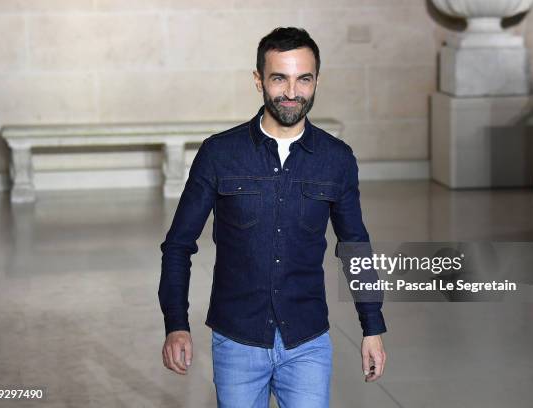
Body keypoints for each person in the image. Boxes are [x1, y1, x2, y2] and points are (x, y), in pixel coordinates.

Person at [159, 27, 387, 408]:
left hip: (307, 342)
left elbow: (354, 246)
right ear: (258, 80)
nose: (292, 92)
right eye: (279, 78)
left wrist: (372, 326)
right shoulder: (219, 154)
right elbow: (179, 246)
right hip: (237, 340)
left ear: (317, 81)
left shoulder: (336, 159)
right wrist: (176, 324)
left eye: (304, 79)